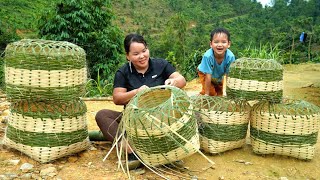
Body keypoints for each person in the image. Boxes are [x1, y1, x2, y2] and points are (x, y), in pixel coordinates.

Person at [95, 33, 186, 169]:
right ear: (128, 56)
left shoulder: (161, 65)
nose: (142, 56)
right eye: (136, 54)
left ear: (148, 49)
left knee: (189, 113)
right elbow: (117, 98)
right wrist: (136, 92)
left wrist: (173, 81)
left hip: (161, 120)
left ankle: (167, 151)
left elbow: (182, 80)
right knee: (102, 115)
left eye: (144, 51)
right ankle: (131, 151)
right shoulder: (123, 72)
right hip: (133, 122)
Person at [197, 27, 235, 96]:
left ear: (228, 44)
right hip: (204, 73)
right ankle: (202, 95)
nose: (220, 45)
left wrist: (227, 93)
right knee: (211, 94)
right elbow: (208, 76)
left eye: (223, 42)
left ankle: (205, 92)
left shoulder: (230, 57)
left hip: (217, 76)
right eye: (216, 42)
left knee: (219, 94)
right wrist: (207, 95)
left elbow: (228, 75)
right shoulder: (208, 56)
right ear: (211, 44)